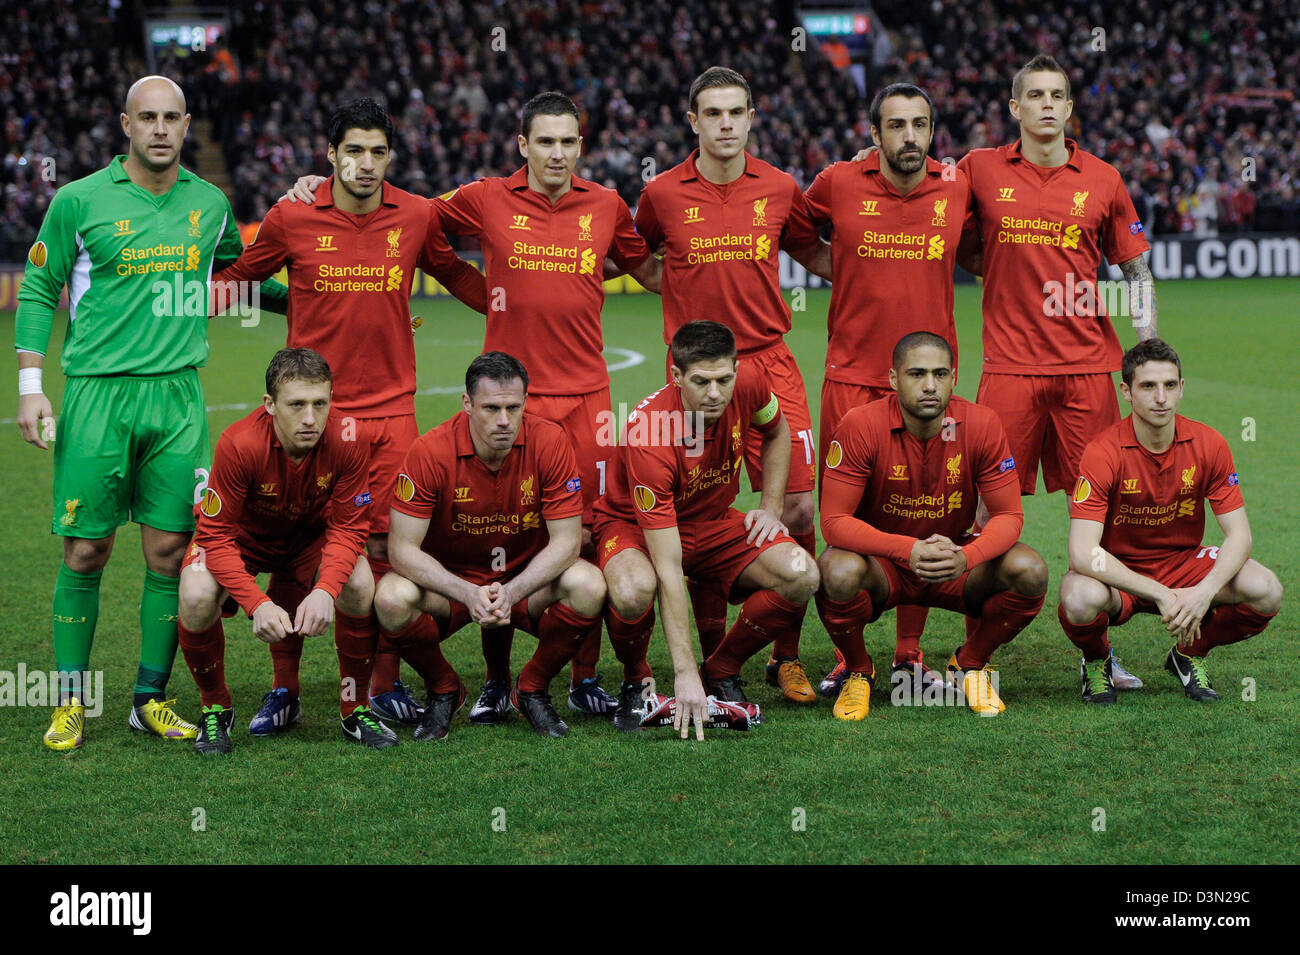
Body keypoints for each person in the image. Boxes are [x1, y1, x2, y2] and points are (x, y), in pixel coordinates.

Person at [17, 76, 287, 752]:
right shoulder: (78, 200)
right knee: (86, 548)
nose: (161, 129)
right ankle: (71, 701)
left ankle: (149, 697)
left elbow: (246, 271)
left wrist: (334, 293)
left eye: (172, 118)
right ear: (125, 124)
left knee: (169, 550)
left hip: (177, 397)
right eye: (148, 118)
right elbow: (38, 287)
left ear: (186, 123)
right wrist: (30, 384)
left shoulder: (209, 201)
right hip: (96, 395)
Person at [215, 98, 487, 734]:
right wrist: (165, 304)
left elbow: (456, 275)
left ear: (390, 157)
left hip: (393, 413)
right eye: (354, 151)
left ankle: (379, 686)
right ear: (330, 156)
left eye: (378, 152)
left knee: (389, 554)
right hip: (317, 412)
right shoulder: (292, 216)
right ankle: (283, 690)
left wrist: (513, 307)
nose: (366, 164)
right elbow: (240, 278)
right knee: (296, 549)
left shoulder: (416, 215)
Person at [956, 54, 1157, 689]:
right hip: (1008, 372)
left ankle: (1098, 656)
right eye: (1034, 95)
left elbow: (1136, 270)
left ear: (1071, 109)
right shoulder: (979, 169)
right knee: (986, 516)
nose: (1047, 104)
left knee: (1099, 516)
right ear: (1013, 108)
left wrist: (1148, 347)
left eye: (1058, 95)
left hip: (1089, 369)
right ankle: (975, 658)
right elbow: (953, 242)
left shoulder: (1102, 177)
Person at [633, 66, 829, 706]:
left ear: (751, 117)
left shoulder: (778, 186)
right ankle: (718, 657)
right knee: (704, 511)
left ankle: (787, 657)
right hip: (697, 373)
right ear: (693, 121)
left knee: (797, 512)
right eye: (712, 113)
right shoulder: (661, 194)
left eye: (736, 112)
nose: (725, 124)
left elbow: (818, 250)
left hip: (769, 361)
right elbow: (637, 259)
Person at [807, 82, 973, 696]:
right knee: (844, 521)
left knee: (925, 510)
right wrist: (843, 263)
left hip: (929, 382)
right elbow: (799, 233)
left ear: (933, 132)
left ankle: (908, 652)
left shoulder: (958, 186)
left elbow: (984, 246)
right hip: (851, 378)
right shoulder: (837, 183)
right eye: (896, 125)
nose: (910, 136)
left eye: (921, 125)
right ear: (873, 133)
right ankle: (850, 655)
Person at [591, 321, 819, 739]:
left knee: (802, 574)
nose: (715, 393)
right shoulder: (649, 435)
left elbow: (777, 430)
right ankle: (636, 680)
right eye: (700, 382)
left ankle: (721, 669)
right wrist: (682, 675)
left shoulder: (750, 381)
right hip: (636, 529)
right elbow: (668, 568)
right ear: (676, 377)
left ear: (736, 368)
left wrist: (770, 505)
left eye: (723, 379)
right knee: (633, 588)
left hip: (712, 521)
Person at [373, 352, 607, 740]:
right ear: (467, 404)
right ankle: (445, 689)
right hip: (454, 586)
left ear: (525, 403)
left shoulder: (550, 441)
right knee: (391, 597)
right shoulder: (430, 451)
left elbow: (567, 542)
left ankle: (531, 688)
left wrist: (513, 590)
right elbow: (401, 551)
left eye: (513, 407)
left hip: (525, 583)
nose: (503, 420)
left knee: (590, 585)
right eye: (491, 408)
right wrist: (468, 592)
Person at [816, 332, 1048, 720]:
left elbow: (1010, 516)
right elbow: (834, 522)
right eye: (916, 374)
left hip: (952, 560)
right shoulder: (859, 425)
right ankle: (859, 671)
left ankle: (969, 664)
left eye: (940, 374)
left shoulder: (982, 423)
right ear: (893, 379)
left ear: (954, 378)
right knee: (835, 570)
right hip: (884, 565)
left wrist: (967, 556)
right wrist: (906, 549)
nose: (929, 385)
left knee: (1031, 570)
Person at [176, 348, 383, 753]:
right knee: (196, 594)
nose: (310, 418)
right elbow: (215, 536)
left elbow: (349, 526)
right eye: (296, 405)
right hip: (243, 541)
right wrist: (257, 603)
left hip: (308, 539)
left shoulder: (349, 437)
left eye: (320, 403)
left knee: (359, 584)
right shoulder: (239, 444)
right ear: (270, 405)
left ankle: (354, 707)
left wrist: (324, 590)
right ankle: (215, 707)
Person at [1058, 339, 1281, 703]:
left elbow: (1239, 536)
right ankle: (1097, 661)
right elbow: (1084, 553)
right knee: (1080, 597)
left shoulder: (1210, 444)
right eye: (1148, 386)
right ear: (1126, 391)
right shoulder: (1102, 451)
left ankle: (1189, 654)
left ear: (1182, 388)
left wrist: (1203, 592)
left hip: (1182, 565)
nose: (1161, 397)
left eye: (1170, 385)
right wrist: (1162, 594)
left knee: (1266, 589)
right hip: (1120, 572)